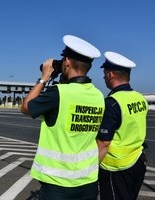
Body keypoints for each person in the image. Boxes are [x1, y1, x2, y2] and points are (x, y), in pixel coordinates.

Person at [21, 35, 105, 200]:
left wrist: (44, 78)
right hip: (88, 182)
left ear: (66, 62)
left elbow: (26, 107)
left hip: (58, 184)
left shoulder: (58, 93)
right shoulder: (98, 95)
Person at [97, 51, 148, 200]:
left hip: (116, 168)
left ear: (110, 74)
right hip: (138, 161)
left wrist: (90, 168)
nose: (103, 76)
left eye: (105, 73)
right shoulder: (140, 98)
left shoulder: (112, 103)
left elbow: (104, 143)